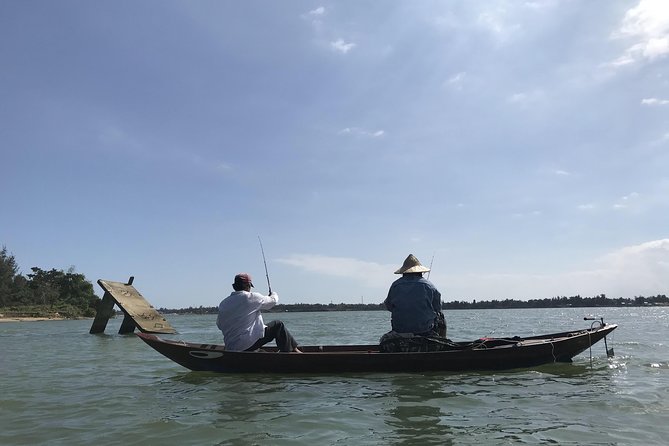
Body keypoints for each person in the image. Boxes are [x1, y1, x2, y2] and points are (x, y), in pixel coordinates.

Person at [216, 273, 301, 352]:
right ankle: (291, 353)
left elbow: (219, 325)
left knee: (258, 332)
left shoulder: (223, 303)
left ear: (234, 286)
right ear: (248, 285)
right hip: (246, 344)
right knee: (278, 325)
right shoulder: (250, 297)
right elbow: (273, 301)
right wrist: (273, 294)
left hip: (230, 346)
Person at [384, 254, 446, 338]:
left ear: (403, 273)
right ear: (420, 272)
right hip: (425, 331)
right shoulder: (429, 286)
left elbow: (389, 306)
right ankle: (442, 341)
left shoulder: (395, 285)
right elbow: (437, 308)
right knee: (441, 317)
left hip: (399, 330)